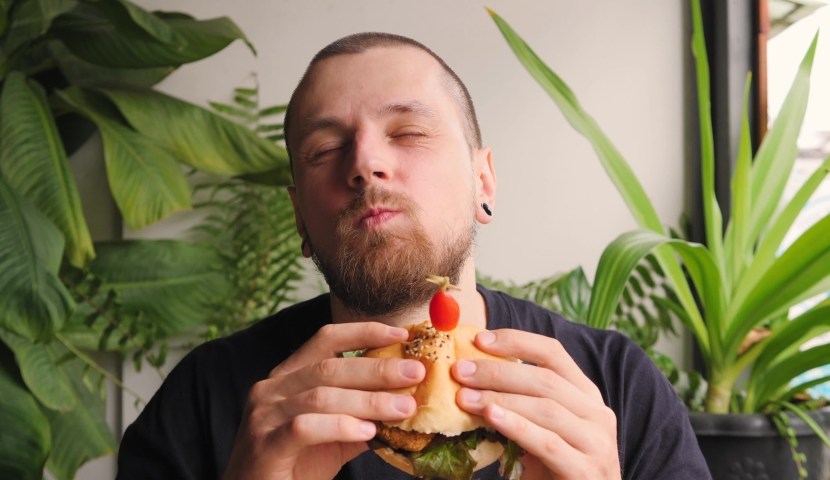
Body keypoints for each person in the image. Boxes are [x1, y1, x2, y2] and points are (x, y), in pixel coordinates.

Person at [116, 32, 712, 480]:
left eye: (408, 133)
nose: (365, 163)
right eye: (325, 149)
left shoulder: (611, 386)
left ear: (485, 182)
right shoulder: (206, 396)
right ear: (298, 214)